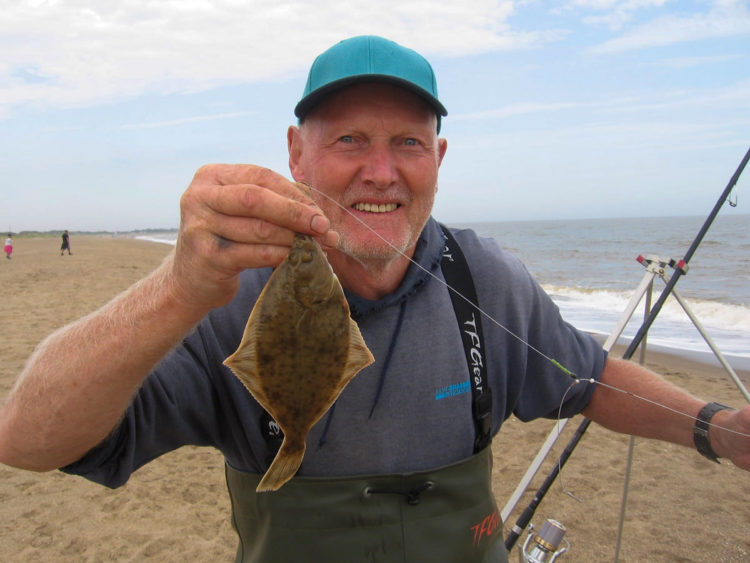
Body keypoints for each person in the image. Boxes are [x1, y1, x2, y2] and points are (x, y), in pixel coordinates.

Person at [0, 36, 748, 562]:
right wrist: (174, 288)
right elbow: (28, 440)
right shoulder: (225, 298)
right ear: (296, 153)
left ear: (439, 159)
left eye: (409, 144)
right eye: (350, 140)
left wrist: (715, 425)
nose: (382, 172)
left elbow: (590, 378)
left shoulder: (480, 277)